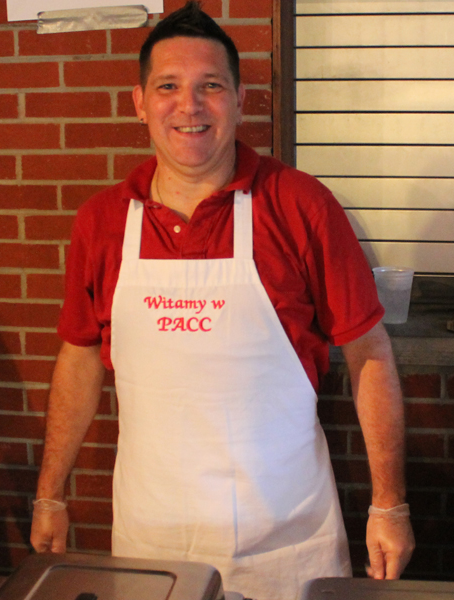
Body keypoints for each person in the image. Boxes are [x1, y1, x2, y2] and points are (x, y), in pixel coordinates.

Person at [30, 3, 415, 599]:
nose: (189, 106)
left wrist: (389, 503)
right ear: (139, 103)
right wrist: (51, 492)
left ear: (239, 100)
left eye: (211, 86)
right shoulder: (102, 222)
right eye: (168, 87)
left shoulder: (300, 205)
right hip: (150, 547)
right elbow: (79, 358)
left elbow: (369, 353)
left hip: (284, 548)